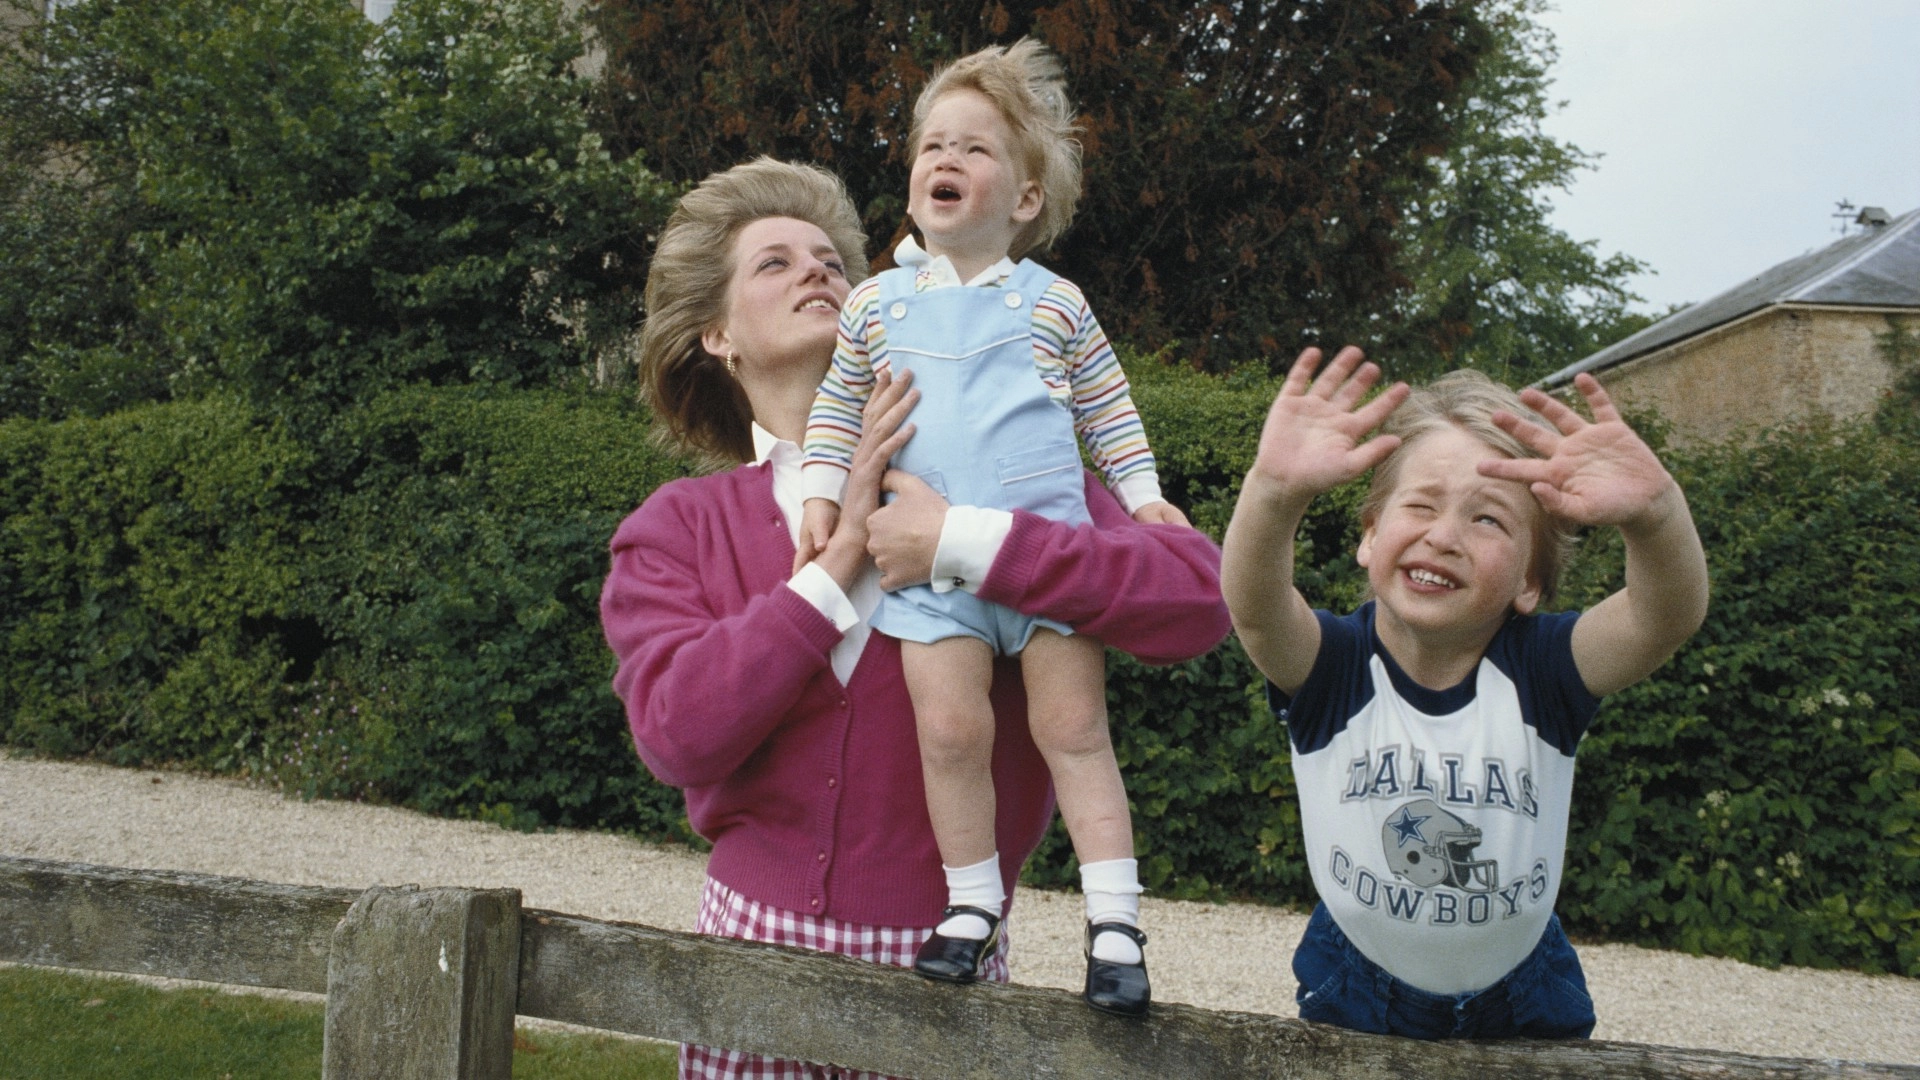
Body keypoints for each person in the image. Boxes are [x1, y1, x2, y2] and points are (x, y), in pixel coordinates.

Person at [600, 156, 1229, 1077]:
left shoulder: (1015, 482)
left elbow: (1199, 601)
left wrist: (968, 542)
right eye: (775, 262)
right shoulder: (677, 527)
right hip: (746, 964)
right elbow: (677, 736)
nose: (818, 270)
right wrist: (841, 557)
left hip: (949, 981)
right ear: (718, 335)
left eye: (831, 260)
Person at [791, 39, 1182, 1015]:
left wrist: (1142, 498)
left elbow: (1110, 410)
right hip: (929, 576)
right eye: (932, 145)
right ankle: (971, 906)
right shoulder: (875, 305)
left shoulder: (1055, 304)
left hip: (1046, 563)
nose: (945, 159)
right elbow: (837, 408)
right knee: (951, 732)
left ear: (1025, 199)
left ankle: (1116, 923)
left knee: (1074, 731)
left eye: (974, 148)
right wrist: (823, 496)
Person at [1220, 347, 1709, 1040]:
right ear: (1370, 538)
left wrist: (1655, 515)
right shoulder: (1334, 667)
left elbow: (1664, 617)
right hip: (1358, 980)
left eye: (1488, 521)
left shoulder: (1545, 670)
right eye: (1420, 505)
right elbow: (1255, 607)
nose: (1444, 535)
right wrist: (1273, 492)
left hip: (1524, 989)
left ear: (1529, 583)